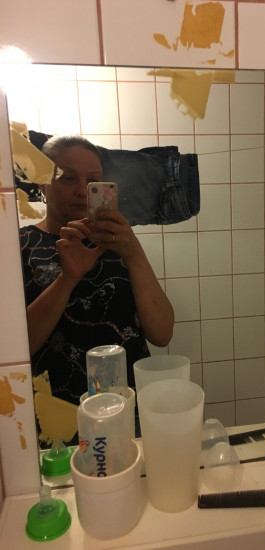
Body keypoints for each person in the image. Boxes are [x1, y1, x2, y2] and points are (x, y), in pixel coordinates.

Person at [19, 135, 174, 413]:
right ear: (42, 182)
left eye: (93, 181)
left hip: (127, 408)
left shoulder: (119, 243)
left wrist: (135, 252)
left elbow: (162, 333)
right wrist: (67, 279)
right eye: (67, 178)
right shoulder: (20, 245)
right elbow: (16, 347)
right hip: (58, 414)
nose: (82, 190)